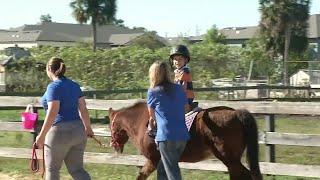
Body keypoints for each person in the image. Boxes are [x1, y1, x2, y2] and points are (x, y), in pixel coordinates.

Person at [35, 57, 93, 180]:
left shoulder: (53, 87)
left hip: (59, 132)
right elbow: (83, 108)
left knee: (52, 170)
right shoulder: (75, 85)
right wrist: (88, 128)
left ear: (49, 69)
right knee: (77, 170)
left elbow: (53, 111)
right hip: (78, 130)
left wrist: (41, 135)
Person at [147, 61, 190, 180]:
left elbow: (152, 117)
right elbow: (186, 109)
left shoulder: (153, 91)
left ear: (154, 74)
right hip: (182, 135)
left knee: (172, 172)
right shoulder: (179, 89)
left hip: (166, 136)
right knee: (163, 168)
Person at [169, 45, 195, 112]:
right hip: (181, 97)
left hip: (186, 98)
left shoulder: (184, 72)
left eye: (180, 59)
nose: (177, 61)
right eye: (175, 59)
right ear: (172, 61)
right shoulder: (177, 72)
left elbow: (177, 87)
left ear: (185, 60)